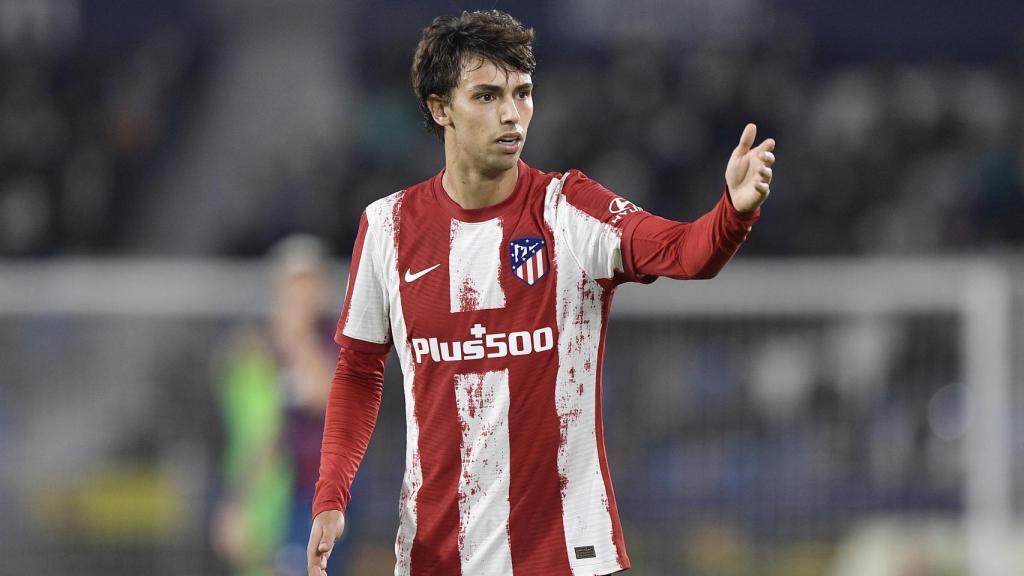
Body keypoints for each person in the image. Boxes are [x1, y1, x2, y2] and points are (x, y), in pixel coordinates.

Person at [307, 10, 775, 576]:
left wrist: (732, 213)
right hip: (436, 559)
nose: (511, 113)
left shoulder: (568, 211)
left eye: (522, 92)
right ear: (439, 109)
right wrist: (332, 495)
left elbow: (686, 253)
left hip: (569, 558)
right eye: (485, 96)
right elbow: (358, 370)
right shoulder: (387, 227)